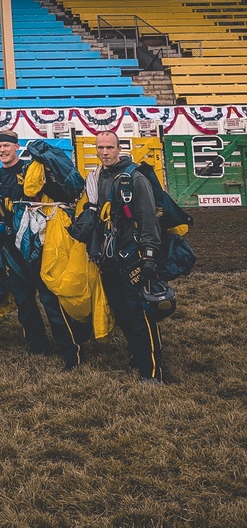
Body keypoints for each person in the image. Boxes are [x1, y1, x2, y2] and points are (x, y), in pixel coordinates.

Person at [0, 131, 88, 369]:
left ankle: (71, 352)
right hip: (10, 251)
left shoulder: (33, 170)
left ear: (16, 147)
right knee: (24, 303)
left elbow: (64, 192)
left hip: (39, 246)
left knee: (51, 300)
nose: (2, 150)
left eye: (7, 146)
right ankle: (38, 348)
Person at [86, 131, 165, 384]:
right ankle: (137, 356)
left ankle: (151, 370)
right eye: (100, 147)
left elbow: (148, 219)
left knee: (140, 313)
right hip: (109, 259)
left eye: (109, 147)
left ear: (119, 148)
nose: (105, 152)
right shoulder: (98, 178)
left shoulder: (135, 178)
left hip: (134, 256)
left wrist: (149, 257)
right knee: (121, 312)